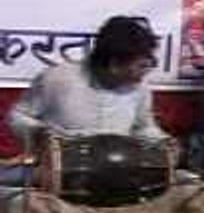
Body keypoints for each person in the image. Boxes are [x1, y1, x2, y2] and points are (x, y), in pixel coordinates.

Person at [7, 16, 171, 151]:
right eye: (141, 66)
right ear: (114, 65)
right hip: (59, 171)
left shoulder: (139, 88)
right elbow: (18, 116)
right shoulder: (57, 79)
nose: (146, 71)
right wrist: (38, 133)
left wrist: (163, 142)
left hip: (117, 170)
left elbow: (143, 127)